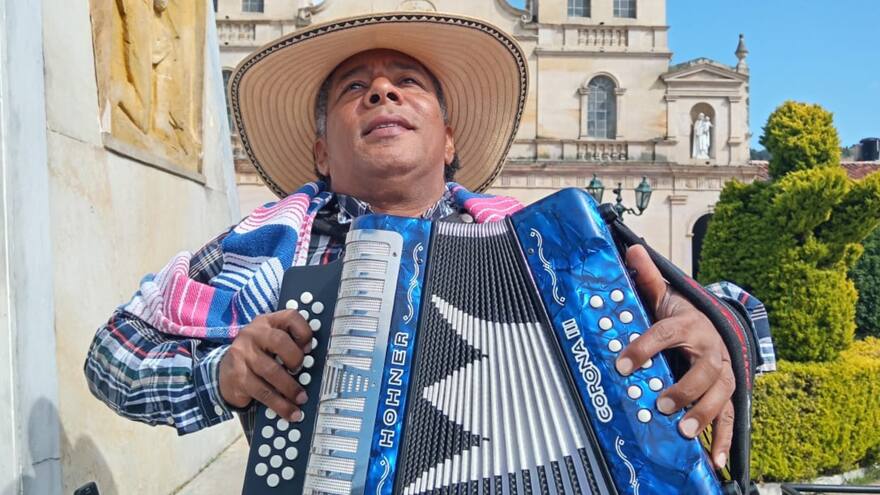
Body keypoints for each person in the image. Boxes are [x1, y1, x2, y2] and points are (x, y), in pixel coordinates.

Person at [85, 12, 749, 471]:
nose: (380, 90)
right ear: (321, 150)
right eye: (355, 88)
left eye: (408, 84)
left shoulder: (551, 247)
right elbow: (111, 353)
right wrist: (221, 372)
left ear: (449, 138)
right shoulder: (264, 249)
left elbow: (741, 309)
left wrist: (716, 334)